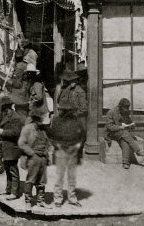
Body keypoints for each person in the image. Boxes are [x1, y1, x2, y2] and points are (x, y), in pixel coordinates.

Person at [50, 68, 87, 207]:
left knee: (71, 175)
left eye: (72, 81)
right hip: (61, 146)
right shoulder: (64, 90)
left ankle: (72, 198)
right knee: (59, 175)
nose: (70, 83)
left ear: (75, 81)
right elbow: (52, 134)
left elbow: (84, 109)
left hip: (76, 120)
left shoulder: (80, 92)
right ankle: (58, 199)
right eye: (68, 81)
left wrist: (74, 113)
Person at [19, 112, 51, 208]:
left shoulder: (44, 129)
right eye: (41, 120)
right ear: (37, 119)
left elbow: (48, 142)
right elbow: (21, 143)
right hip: (33, 157)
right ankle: (28, 201)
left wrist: (47, 153)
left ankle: (40, 200)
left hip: (43, 157)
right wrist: (31, 153)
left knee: (42, 180)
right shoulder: (28, 128)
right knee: (31, 179)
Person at [0, 96, 25, 201]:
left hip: (12, 147)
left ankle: (14, 192)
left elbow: (16, 132)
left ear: (6, 107)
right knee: (7, 169)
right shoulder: (6, 115)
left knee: (13, 170)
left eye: (3, 107)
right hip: (6, 147)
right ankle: (8, 189)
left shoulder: (15, 117)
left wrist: (2, 132)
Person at [107, 97, 144, 170]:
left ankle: (125, 162)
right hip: (112, 133)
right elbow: (109, 127)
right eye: (125, 108)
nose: (127, 110)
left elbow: (129, 122)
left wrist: (132, 125)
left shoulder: (125, 112)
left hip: (122, 134)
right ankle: (138, 150)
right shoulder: (111, 112)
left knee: (125, 140)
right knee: (124, 133)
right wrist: (120, 127)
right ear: (120, 106)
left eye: (128, 108)